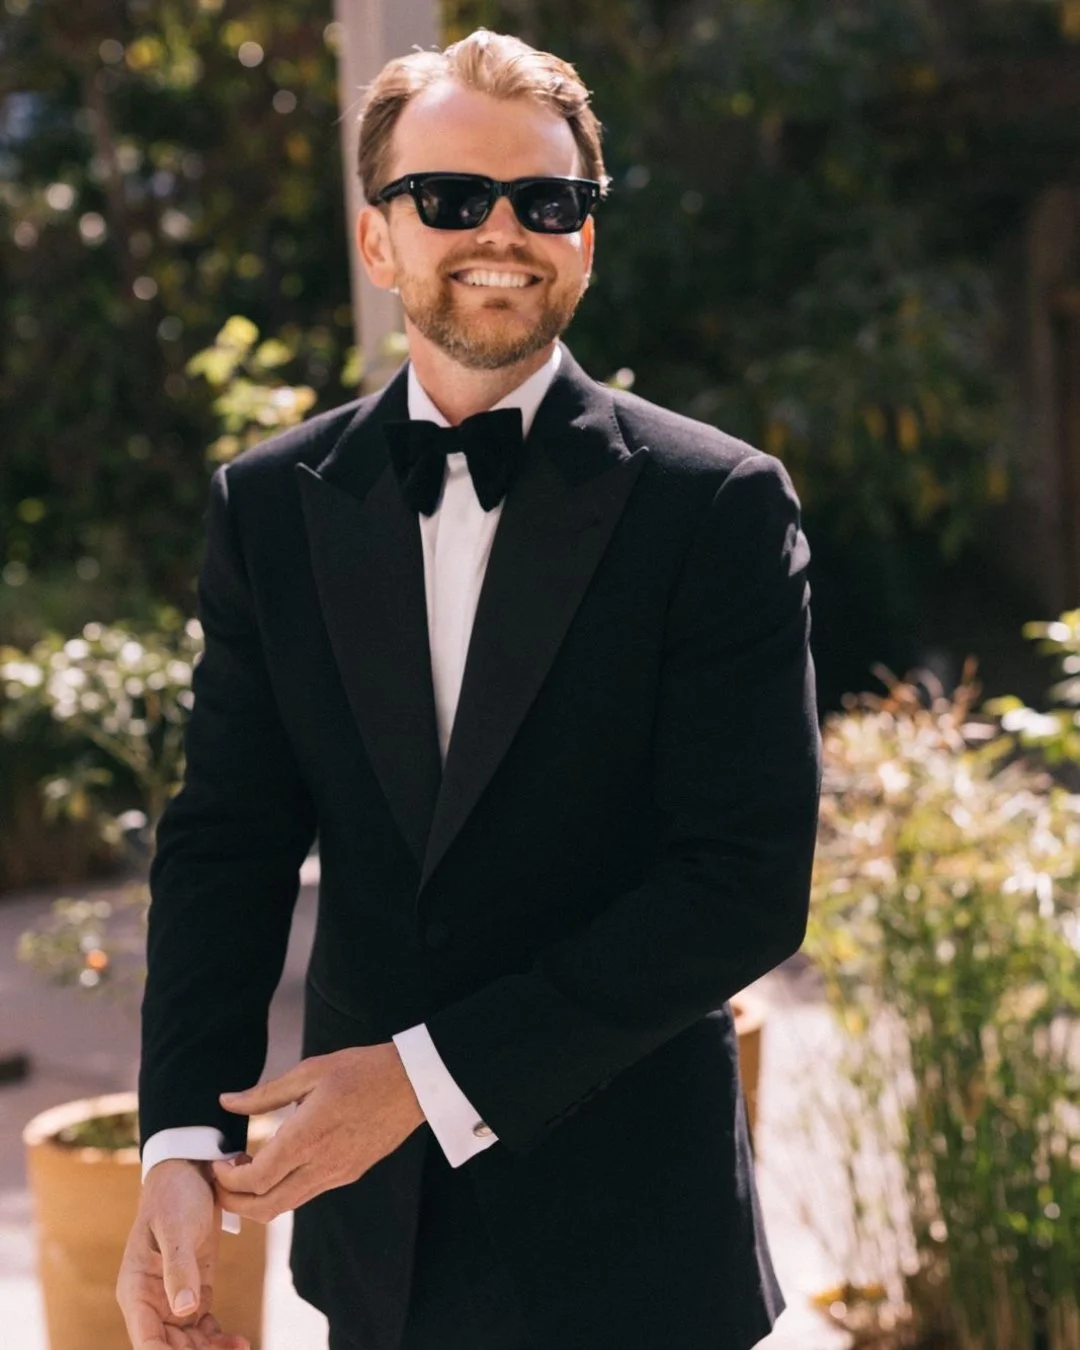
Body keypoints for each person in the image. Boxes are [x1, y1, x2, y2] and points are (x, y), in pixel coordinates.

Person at [117, 27, 822, 1350]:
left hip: (638, 1249)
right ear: (380, 239)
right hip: (376, 1245)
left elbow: (741, 882)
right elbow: (228, 842)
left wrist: (424, 1082)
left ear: (587, 239)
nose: (503, 230)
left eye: (547, 201)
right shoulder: (269, 507)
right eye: (450, 197)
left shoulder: (716, 506)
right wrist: (177, 1142)